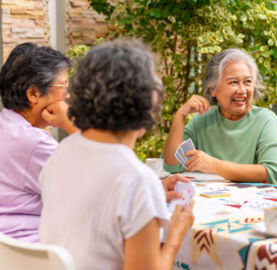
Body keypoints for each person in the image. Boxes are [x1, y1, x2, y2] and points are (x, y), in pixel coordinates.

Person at [39, 39, 194, 270]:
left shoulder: (60, 153)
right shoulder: (138, 180)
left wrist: (149, 199)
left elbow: (92, 207)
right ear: (146, 103)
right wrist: (176, 235)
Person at [163, 48, 277, 184]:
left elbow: (273, 173)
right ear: (213, 90)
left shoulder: (265, 120)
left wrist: (214, 166)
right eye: (234, 82)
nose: (242, 90)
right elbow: (172, 165)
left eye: (247, 81)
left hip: (252, 202)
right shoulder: (202, 119)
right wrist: (180, 115)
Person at [0, 43, 76, 242]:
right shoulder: (33, 143)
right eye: (63, 86)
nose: (67, 95)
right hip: (36, 250)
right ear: (33, 93)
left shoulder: (6, 126)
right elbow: (93, 191)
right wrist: (71, 124)